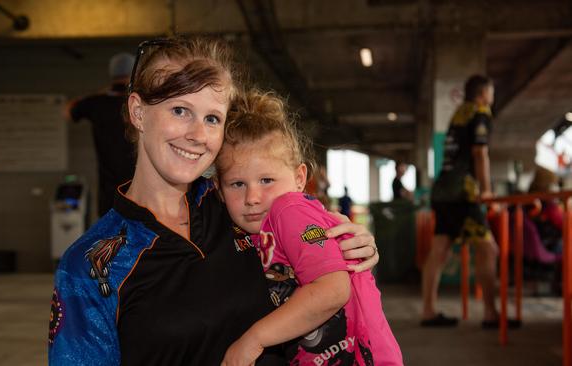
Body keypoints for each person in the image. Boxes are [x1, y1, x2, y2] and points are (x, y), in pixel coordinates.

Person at [49, 36, 379, 366]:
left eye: (212, 118)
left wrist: (348, 242)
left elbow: (315, 251)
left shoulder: (240, 205)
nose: (198, 135)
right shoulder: (93, 265)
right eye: (180, 110)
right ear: (137, 112)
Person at [217, 89, 402, 365]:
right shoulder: (259, 230)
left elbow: (333, 290)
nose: (252, 197)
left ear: (299, 178)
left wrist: (253, 339)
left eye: (267, 180)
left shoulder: (288, 210)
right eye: (237, 184)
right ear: (218, 190)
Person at [421, 75, 512, 328]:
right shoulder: (481, 112)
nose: (491, 98)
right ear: (483, 94)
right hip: (463, 192)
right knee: (488, 249)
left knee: (439, 249)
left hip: (442, 190)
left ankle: (428, 311)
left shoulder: (459, 113)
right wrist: (486, 189)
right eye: (491, 93)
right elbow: (480, 152)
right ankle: (491, 315)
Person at [66, 52, 136, 216]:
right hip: (140, 194)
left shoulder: (97, 103)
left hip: (108, 196)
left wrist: (101, 92)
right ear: (135, 74)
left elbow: (68, 110)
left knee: (109, 239)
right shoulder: (142, 104)